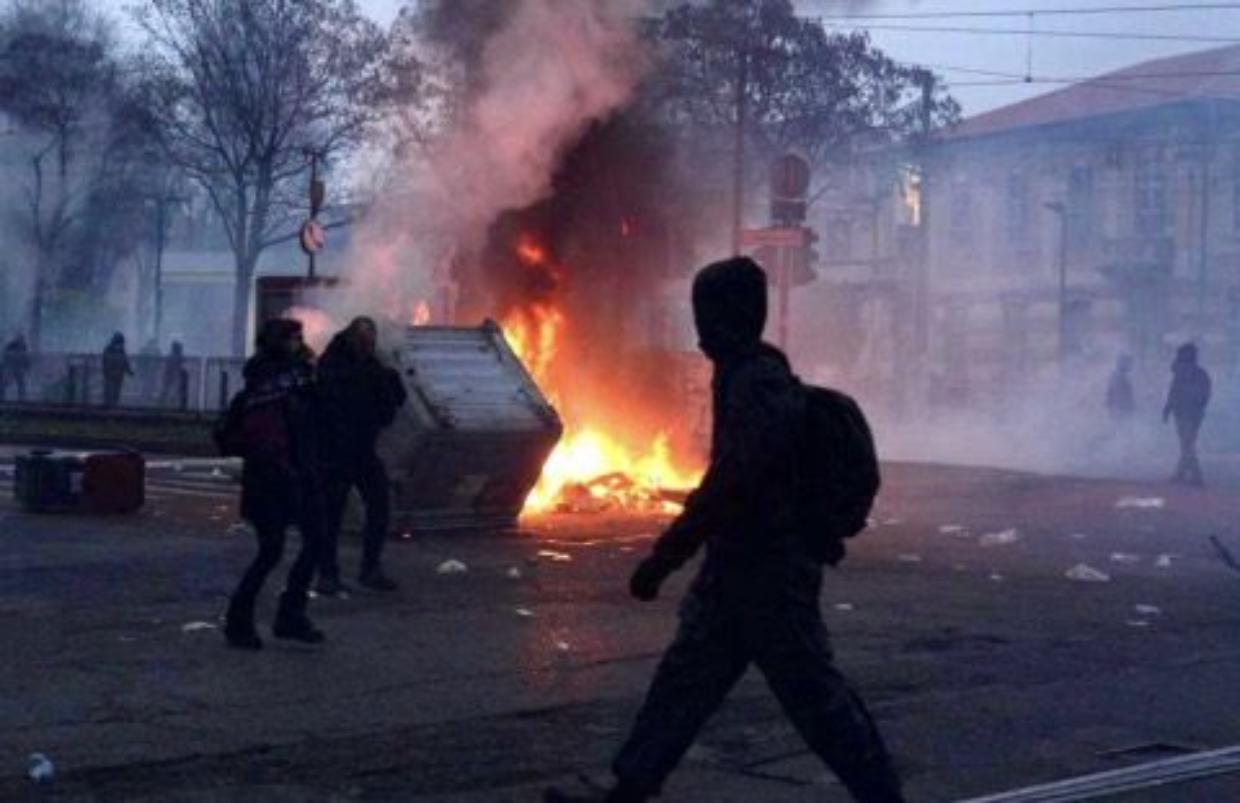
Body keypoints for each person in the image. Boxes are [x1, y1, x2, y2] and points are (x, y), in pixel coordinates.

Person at [544, 258, 904, 803]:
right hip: (738, 569)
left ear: (732, 316)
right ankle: (630, 786)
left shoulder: (756, 384)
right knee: (684, 681)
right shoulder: (744, 375)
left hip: (769, 571)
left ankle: (883, 795)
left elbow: (731, 482)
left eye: (706, 314)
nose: (699, 328)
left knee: (812, 693)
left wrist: (665, 557)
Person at [223, 318, 327, 650]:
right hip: (271, 478)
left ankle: (291, 615)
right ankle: (239, 621)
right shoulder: (268, 385)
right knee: (271, 551)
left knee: (316, 541)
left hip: (300, 473)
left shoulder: (300, 379)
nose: (300, 343)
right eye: (294, 338)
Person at [315, 317, 408, 594]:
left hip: (363, 450)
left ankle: (370, 569)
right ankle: (327, 574)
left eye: (372, 339)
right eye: (365, 339)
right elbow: (333, 399)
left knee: (380, 506)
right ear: (353, 337)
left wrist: (390, 380)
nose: (369, 345)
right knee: (332, 515)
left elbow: (391, 403)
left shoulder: (371, 365)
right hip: (335, 452)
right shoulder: (332, 364)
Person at [1163, 342, 1211, 487]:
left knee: (1187, 444)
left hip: (1185, 413)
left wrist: (1167, 409)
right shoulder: (1199, 373)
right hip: (1191, 414)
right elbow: (1204, 394)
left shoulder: (1184, 372)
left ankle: (1196, 476)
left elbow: (1174, 392)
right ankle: (1181, 473)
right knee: (1187, 444)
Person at [101, 332, 133, 407]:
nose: (121, 344)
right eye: (120, 342)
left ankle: (114, 406)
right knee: (109, 392)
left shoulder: (121, 351)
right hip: (110, 375)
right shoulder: (108, 349)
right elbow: (105, 362)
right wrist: (107, 371)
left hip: (118, 375)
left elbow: (125, 362)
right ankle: (108, 407)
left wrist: (129, 371)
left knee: (116, 392)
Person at [1, 334, 31, 402]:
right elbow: (5, 356)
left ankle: (22, 398)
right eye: (20, 339)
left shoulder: (24, 348)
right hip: (10, 369)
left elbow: (26, 359)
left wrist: (26, 368)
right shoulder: (11, 346)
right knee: (4, 384)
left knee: (21, 384)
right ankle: (2, 397)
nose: (21, 341)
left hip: (18, 369)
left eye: (22, 339)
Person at [1105, 354, 1136, 420]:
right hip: (1120, 410)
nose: (1130, 365)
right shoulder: (1119, 377)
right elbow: (1111, 394)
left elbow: (1109, 394)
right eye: (1128, 363)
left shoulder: (1116, 376)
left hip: (1118, 410)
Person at [159, 341, 187, 409]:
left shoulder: (172, 356)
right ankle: (169, 401)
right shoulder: (177, 357)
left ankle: (165, 401)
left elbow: (167, 366)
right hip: (173, 374)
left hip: (171, 374)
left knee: (169, 388)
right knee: (171, 388)